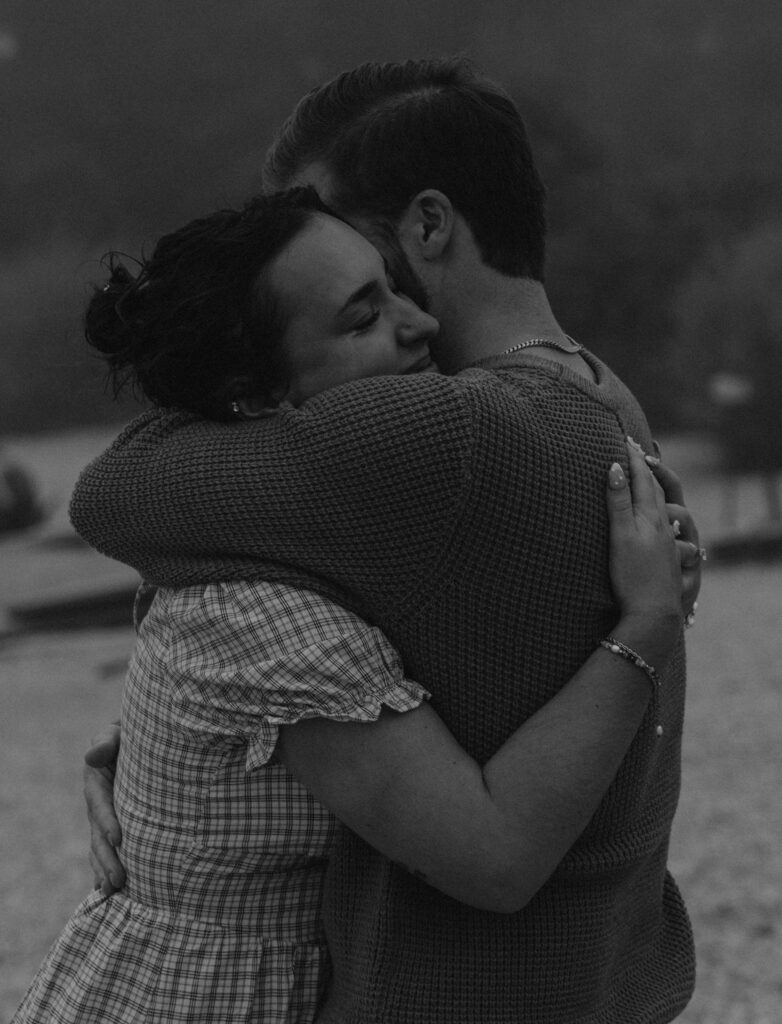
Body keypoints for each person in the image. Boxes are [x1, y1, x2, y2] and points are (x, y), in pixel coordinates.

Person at [76, 58, 701, 1023]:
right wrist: (182, 766)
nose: (308, 245)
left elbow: (119, 492)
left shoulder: (445, 435)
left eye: (340, 232)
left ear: (429, 224)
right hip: (614, 972)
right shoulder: (606, 399)